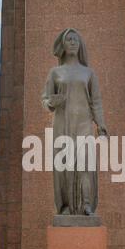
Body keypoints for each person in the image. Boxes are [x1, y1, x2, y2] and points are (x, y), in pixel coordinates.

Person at [42, 28, 108, 216]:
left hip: (84, 124)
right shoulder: (55, 72)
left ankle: (87, 204)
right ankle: (64, 207)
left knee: (85, 165)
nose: (72, 42)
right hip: (62, 123)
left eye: (75, 40)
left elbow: (96, 102)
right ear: (63, 44)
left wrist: (101, 126)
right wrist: (51, 103)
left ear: (80, 46)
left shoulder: (88, 73)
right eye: (69, 39)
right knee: (64, 166)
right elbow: (45, 98)